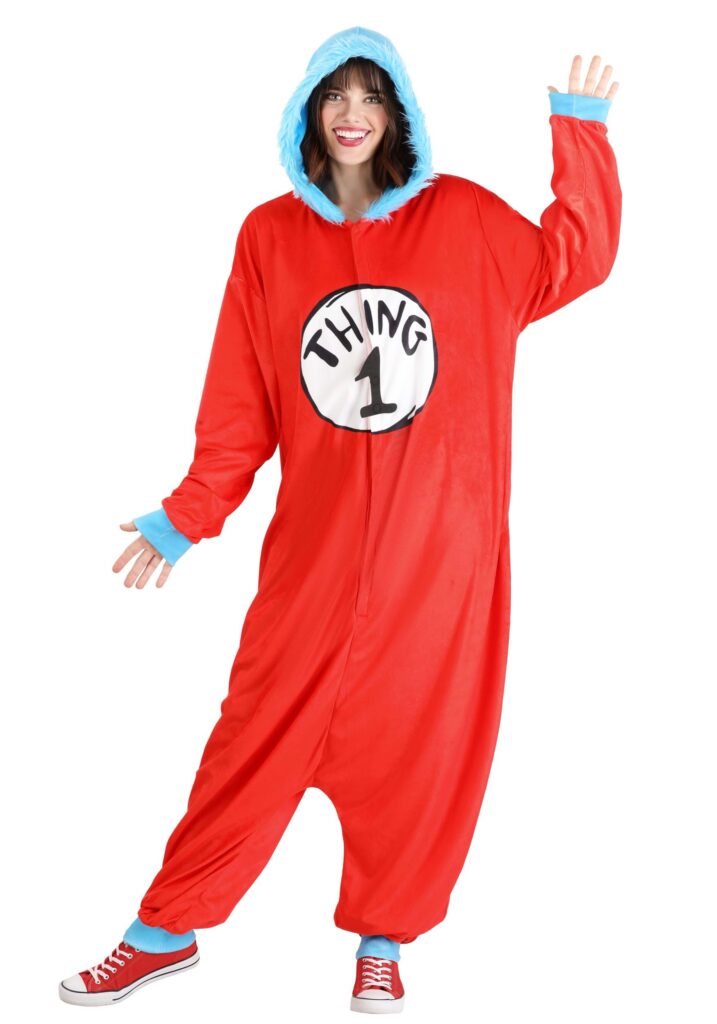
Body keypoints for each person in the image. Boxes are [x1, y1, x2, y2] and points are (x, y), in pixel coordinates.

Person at [58, 25, 622, 1013]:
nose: (352, 114)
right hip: (313, 557)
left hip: (440, 554)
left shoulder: (466, 219)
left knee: (421, 745)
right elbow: (241, 402)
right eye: (334, 95)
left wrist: (579, 134)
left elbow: (572, 259)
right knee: (252, 739)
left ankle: (384, 938)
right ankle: (164, 930)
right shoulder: (269, 237)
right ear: (307, 112)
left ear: (399, 113)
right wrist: (188, 515)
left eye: (371, 96)